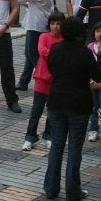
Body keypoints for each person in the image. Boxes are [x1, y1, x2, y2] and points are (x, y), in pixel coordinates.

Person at [44, 16, 99, 201]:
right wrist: (100, 57)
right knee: (75, 148)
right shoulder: (85, 53)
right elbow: (99, 76)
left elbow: (51, 69)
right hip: (78, 105)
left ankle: (51, 188)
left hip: (56, 102)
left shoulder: (55, 49)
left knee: (57, 145)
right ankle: (72, 190)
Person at [22, 11, 63, 151]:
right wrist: (57, 55)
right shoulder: (43, 36)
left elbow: (50, 53)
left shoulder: (64, 40)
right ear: (49, 24)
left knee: (52, 111)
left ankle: (48, 136)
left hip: (56, 80)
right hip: (42, 78)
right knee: (36, 110)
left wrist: (53, 54)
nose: (55, 26)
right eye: (53, 23)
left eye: (58, 24)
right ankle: (30, 137)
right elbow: (42, 51)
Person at [16, 0, 57, 91]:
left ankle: (46, 77)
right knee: (29, 54)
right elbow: (36, 2)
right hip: (43, 22)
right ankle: (23, 82)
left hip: (34, 25)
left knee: (32, 54)